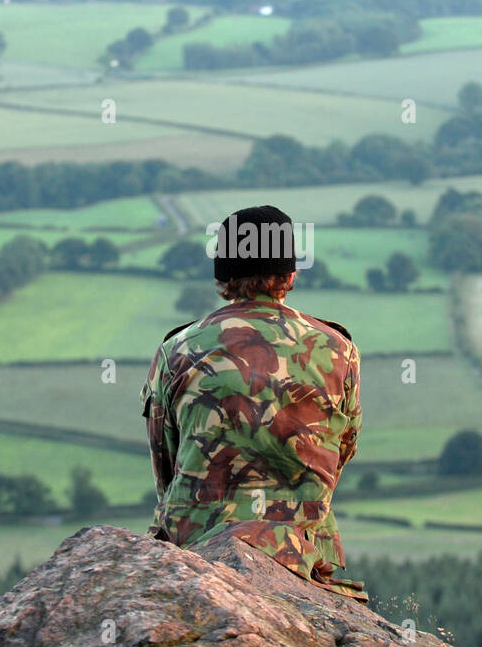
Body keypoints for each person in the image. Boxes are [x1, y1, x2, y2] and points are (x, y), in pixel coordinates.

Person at [139, 205, 366, 601]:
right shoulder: (338, 349)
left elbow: (167, 464)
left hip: (195, 554)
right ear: (290, 273)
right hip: (299, 554)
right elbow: (340, 451)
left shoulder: (178, 349)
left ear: (223, 276)